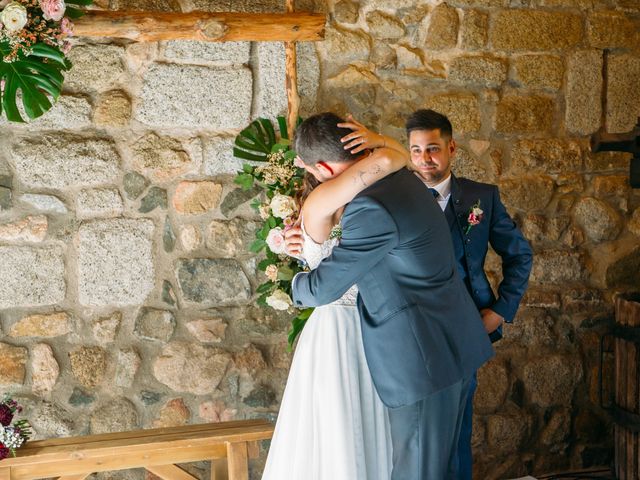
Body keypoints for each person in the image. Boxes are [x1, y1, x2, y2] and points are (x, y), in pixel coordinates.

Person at [290, 112, 495, 480]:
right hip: (450, 345)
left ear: (322, 166)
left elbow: (323, 288)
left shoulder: (371, 206)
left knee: (417, 472)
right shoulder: (402, 176)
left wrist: (296, 285)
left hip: (425, 361)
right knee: (440, 469)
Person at [340, 110, 533, 479]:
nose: (424, 159)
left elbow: (519, 255)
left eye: (432, 149)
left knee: (455, 435)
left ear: (451, 148)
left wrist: (500, 310)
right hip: (415, 337)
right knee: (416, 440)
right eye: (415, 150)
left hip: (466, 329)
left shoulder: (482, 198)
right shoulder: (396, 198)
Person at [261, 112, 410, 480]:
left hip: (359, 323)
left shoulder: (329, 196)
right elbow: (396, 158)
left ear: (319, 165)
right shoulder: (337, 195)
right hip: (343, 330)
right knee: (344, 423)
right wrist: (375, 139)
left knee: (348, 424)